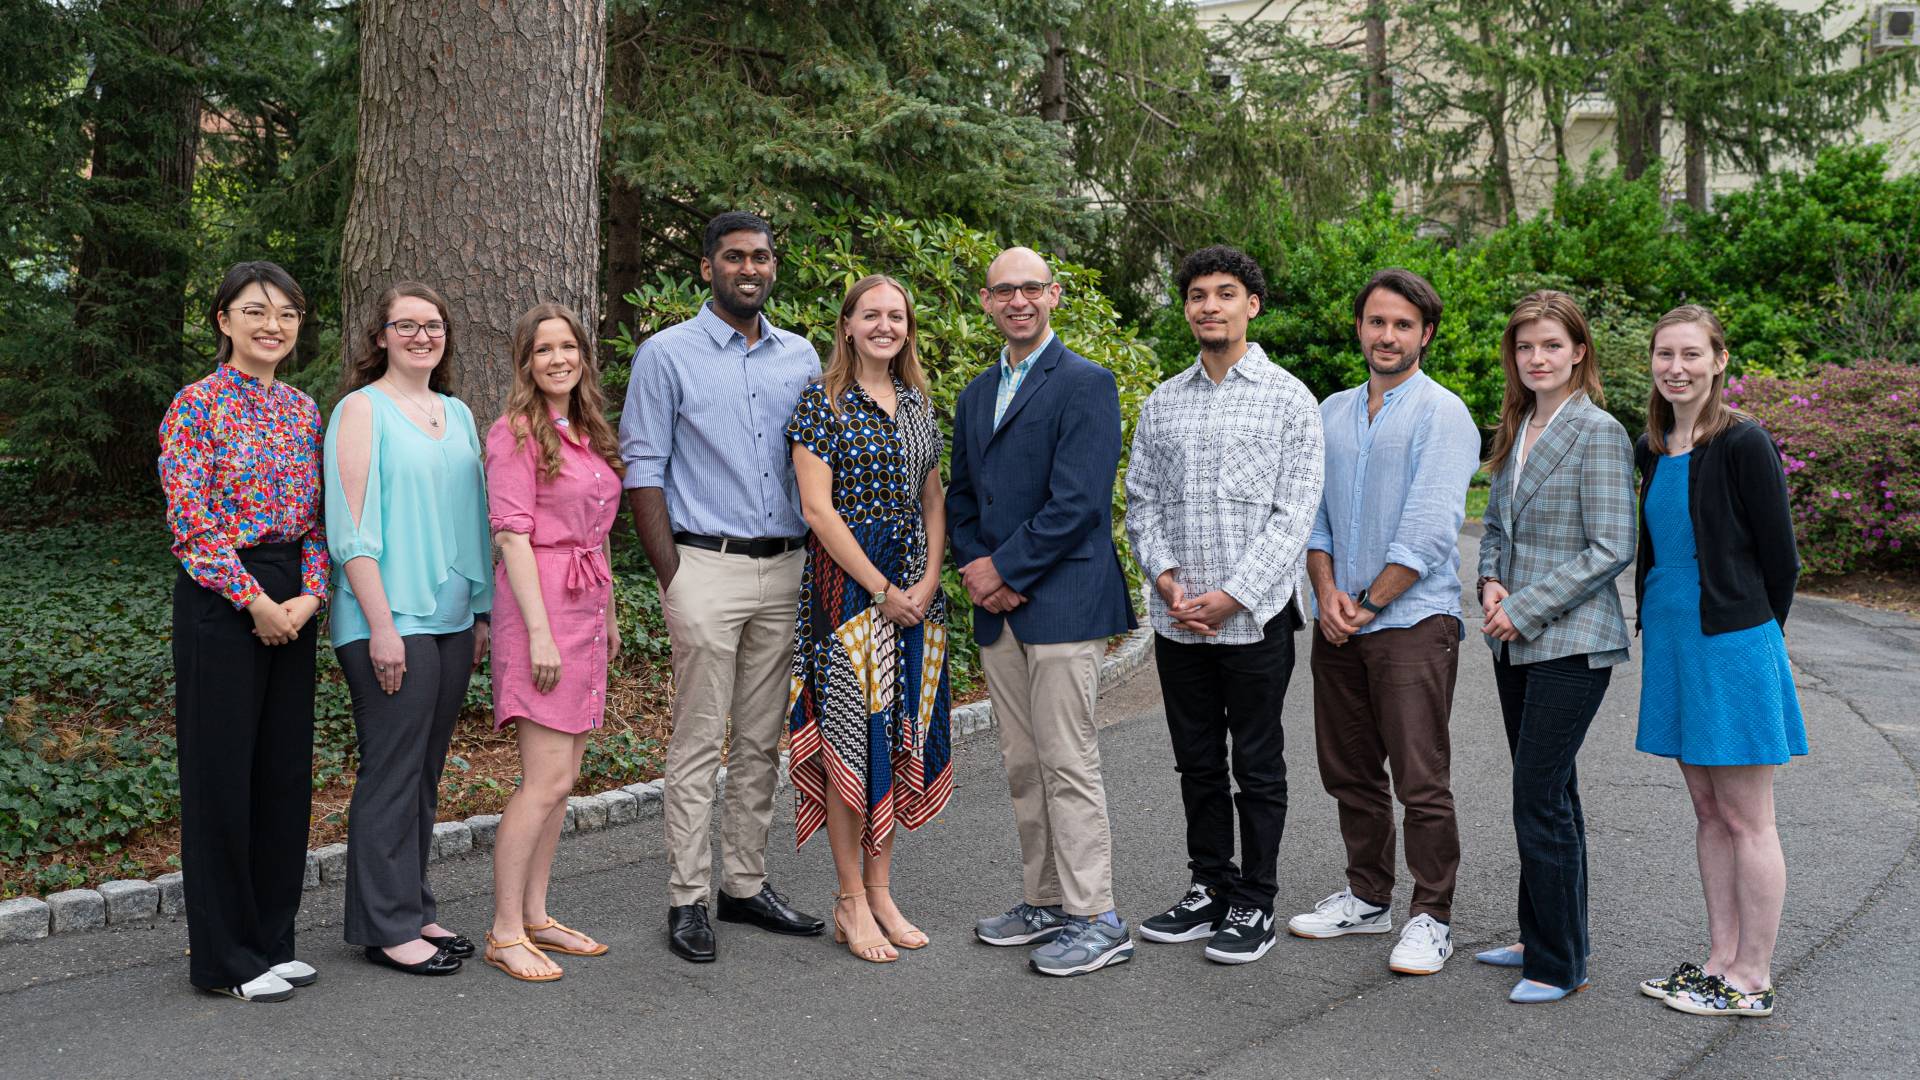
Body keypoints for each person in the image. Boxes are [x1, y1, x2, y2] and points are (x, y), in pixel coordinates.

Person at [619, 211, 826, 963]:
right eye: (734, 256)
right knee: (700, 739)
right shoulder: (665, 355)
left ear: (773, 267)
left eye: (761, 257)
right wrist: (675, 575)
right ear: (707, 267)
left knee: (761, 739)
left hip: (788, 567)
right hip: (704, 565)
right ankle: (686, 898)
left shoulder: (800, 356)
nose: (749, 268)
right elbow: (642, 468)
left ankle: (743, 884)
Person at [1124, 246, 1323, 966]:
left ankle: (1255, 901)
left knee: (1258, 764)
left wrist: (1234, 595)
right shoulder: (1162, 402)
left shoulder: (1288, 399)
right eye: (1199, 295)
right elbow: (1141, 500)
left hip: (1256, 619)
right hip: (1179, 621)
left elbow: (1294, 514)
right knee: (1198, 763)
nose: (1210, 305)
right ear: (1187, 308)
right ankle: (1209, 886)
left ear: (1252, 305)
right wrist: (1170, 581)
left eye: (1226, 293)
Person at [949, 246, 1138, 977]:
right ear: (987, 302)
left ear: (1054, 295)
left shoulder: (1087, 383)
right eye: (1004, 291)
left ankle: (1098, 916)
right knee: (1024, 764)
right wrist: (976, 568)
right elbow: (964, 497)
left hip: (1063, 602)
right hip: (999, 611)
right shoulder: (975, 393)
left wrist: (1005, 568)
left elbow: (1078, 502)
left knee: (1068, 760)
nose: (1018, 300)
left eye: (1031, 288)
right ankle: (1047, 900)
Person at [1291, 268, 1480, 976]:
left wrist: (1367, 603)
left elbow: (1433, 528)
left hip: (1410, 623)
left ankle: (1431, 916)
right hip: (1340, 619)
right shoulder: (1331, 411)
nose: (1388, 335)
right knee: (1349, 770)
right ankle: (1368, 898)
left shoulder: (1443, 413)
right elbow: (1314, 516)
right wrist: (1329, 592)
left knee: (1420, 776)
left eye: (1403, 324)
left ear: (1425, 334)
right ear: (1360, 328)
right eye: (1377, 322)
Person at [159, 261, 326, 1003]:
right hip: (221, 598)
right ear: (224, 320)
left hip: (294, 595)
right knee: (221, 776)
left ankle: (270, 939)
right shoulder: (193, 408)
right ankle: (225, 959)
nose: (273, 325)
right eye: (256, 311)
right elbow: (191, 525)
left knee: (283, 773)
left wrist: (310, 595)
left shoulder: (304, 410)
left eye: (287, 313)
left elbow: (322, 520)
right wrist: (254, 601)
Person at [1632, 305, 1805, 1019]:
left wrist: (1749, 644)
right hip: (1674, 644)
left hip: (1731, 644)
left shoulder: (1744, 442)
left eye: (1691, 355)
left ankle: (1753, 977)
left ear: (1719, 360)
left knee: (1748, 819)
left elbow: (1782, 561)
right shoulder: (1651, 445)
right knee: (1707, 812)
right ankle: (1718, 962)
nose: (1677, 367)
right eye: (1665, 354)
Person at [1471, 291, 1636, 1002]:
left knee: (1537, 796)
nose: (1536, 358)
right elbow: (1497, 527)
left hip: (1572, 640)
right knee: (1550, 794)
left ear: (1578, 352)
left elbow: (1612, 547)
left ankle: (1561, 964)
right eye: (1524, 347)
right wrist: (1489, 583)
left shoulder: (1599, 432)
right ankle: (1541, 934)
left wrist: (1526, 607)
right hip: (1514, 638)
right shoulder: (1518, 425)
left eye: (1550, 345)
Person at [325, 281, 493, 977]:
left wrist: (481, 613)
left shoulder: (457, 414)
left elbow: (474, 521)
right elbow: (350, 527)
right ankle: (384, 927)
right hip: (387, 618)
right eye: (407, 325)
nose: (422, 336)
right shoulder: (360, 410)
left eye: (434, 325)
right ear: (382, 336)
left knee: (424, 772)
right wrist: (382, 626)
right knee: (392, 772)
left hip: (453, 618)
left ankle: (413, 905)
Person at [786, 275, 953, 964]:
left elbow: (933, 500)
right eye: (871, 315)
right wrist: (882, 585)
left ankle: (882, 889)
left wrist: (928, 579)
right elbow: (817, 512)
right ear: (847, 325)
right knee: (853, 743)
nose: (885, 325)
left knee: (900, 738)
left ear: (908, 328)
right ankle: (850, 898)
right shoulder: (821, 404)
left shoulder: (917, 405)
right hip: (848, 597)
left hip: (916, 598)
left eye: (897, 316)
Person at [481, 304, 623, 982]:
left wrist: (612, 614)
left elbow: (595, 535)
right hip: (539, 615)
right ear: (526, 363)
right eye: (544, 350)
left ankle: (537, 915)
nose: (559, 359)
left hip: (585, 610)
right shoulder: (514, 433)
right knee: (540, 781)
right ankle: (505, 930)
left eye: (569, 347)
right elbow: (511, 535)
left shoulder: (587, 433)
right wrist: (540, 635)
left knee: (564, 780)